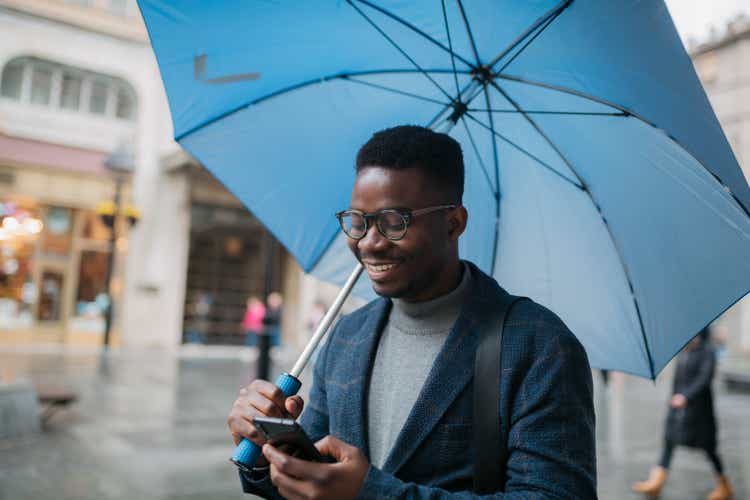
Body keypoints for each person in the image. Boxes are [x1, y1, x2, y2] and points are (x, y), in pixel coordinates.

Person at [227, 125, 596, 498]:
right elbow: (317, 481)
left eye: (393, 222)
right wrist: (272, 450)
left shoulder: (539, 345)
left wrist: (370, 494)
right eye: (358, 221)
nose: (369, 243)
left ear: (454, 223)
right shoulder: (346, 335)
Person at [633, 328, 733, 499]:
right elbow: (677, 381)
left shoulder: (707, 351)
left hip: (700, 412)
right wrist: (673, 402)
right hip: (678, 410)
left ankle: (724, 486)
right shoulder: (684, 352)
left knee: (709, 449)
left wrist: (686, 396)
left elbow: (705, 378)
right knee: (668, 442)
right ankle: (656, 482)